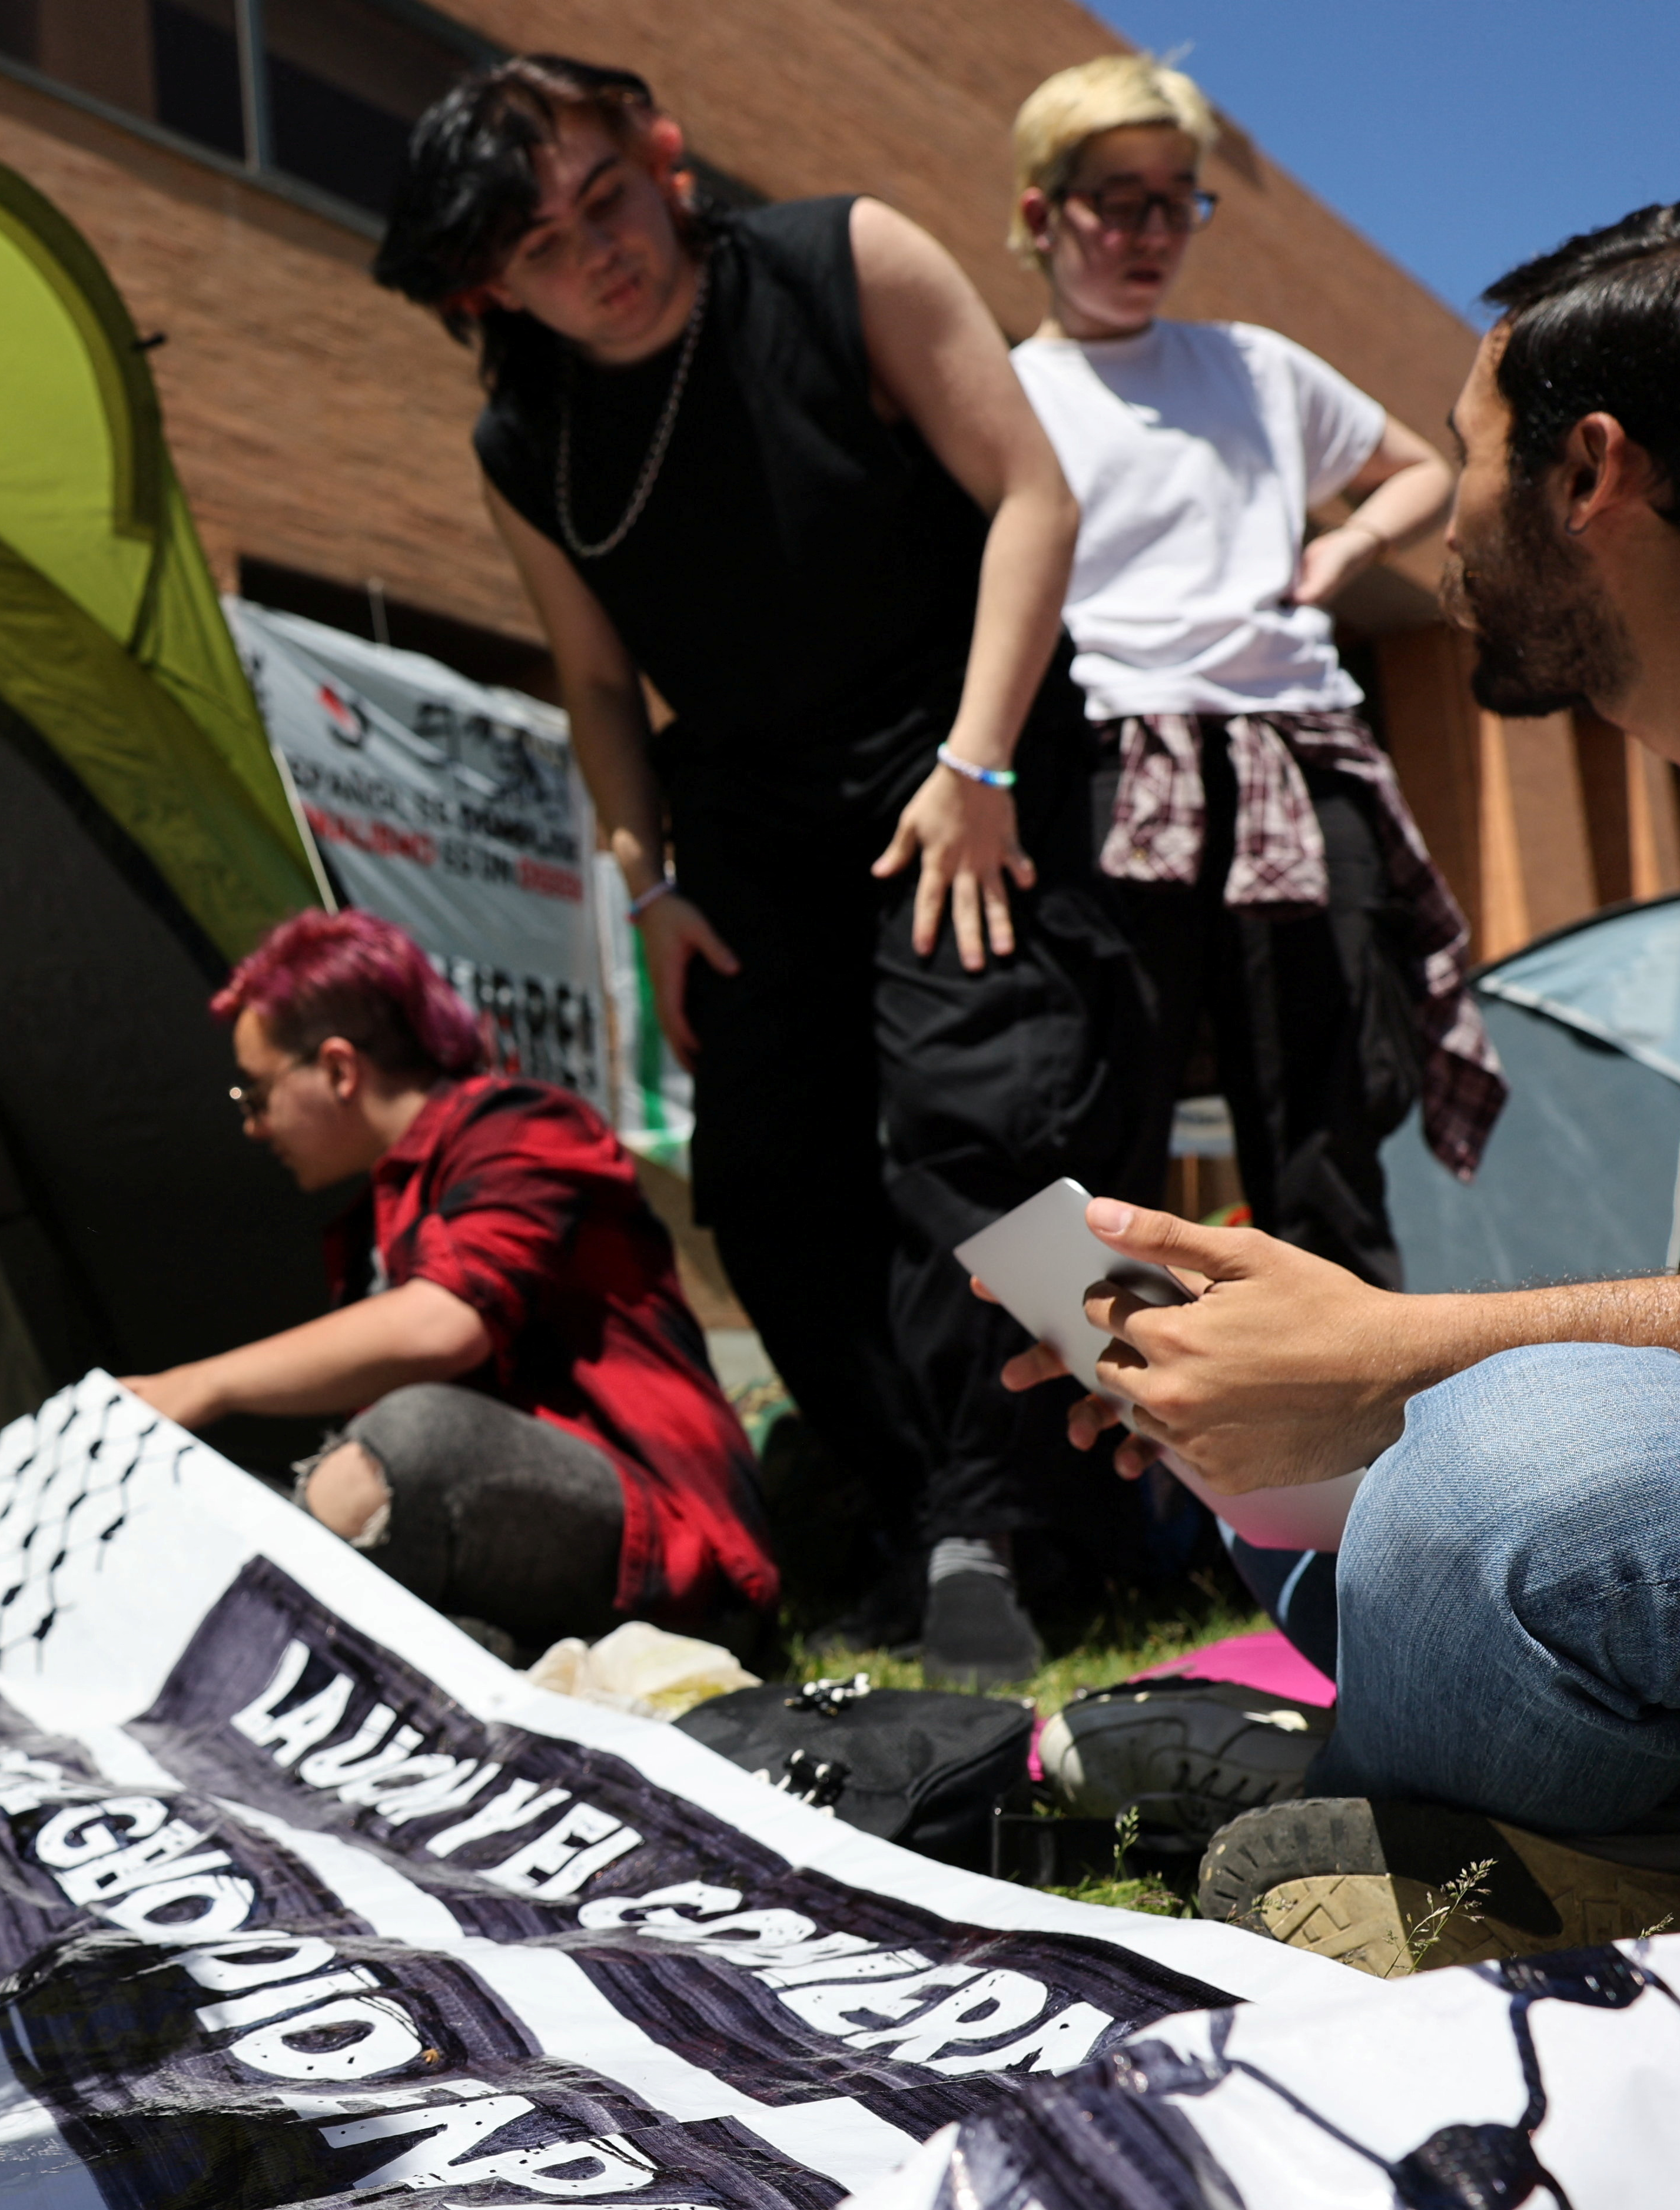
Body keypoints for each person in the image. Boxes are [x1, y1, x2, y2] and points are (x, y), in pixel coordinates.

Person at [1001, 187, 1680, 1969]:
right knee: (1336, 1501)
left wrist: (1418, 1359)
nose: (1441, 520)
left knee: (1507, 1471)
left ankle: (1631, 1841)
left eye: (1458, 456)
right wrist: (1301, 1395)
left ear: (1585, 476)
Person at [374, 54, 1152, 1687]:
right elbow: (593, 681)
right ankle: (907, 1496)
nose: (598, 248)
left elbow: (1029, 496)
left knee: (989, 1122)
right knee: (766, 1177)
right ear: (483, 286)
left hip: (962, 746)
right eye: (539, 244)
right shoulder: (525, 442)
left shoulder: (840, 260)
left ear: (659, 155)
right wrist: (643, 887)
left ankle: (1017, 1525)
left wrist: (976, 765)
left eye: (605, 195)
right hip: (747, 808)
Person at [1005, 57, 1500, 1314]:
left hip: (1294, 754)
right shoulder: (1007, 391)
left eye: (1176, 201)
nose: (1149, 232)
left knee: (1323, 1119)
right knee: (1090, 1113)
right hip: (1112, 756)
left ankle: (1349, 1484)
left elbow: (1416, 469)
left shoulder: (1255, 366)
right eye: (1117, 200)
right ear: (1037, 213)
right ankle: (1091, 1472)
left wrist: (1342, 545)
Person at [122, 910, 773, 1657]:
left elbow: (446, 1322)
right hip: (522, 1546)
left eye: (257, 1093)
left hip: (672, 1549)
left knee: (411, 1436)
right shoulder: (372, 1215)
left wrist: (203, 1385)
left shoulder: (524, 1126)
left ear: (338, 1068)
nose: (253, 1126)